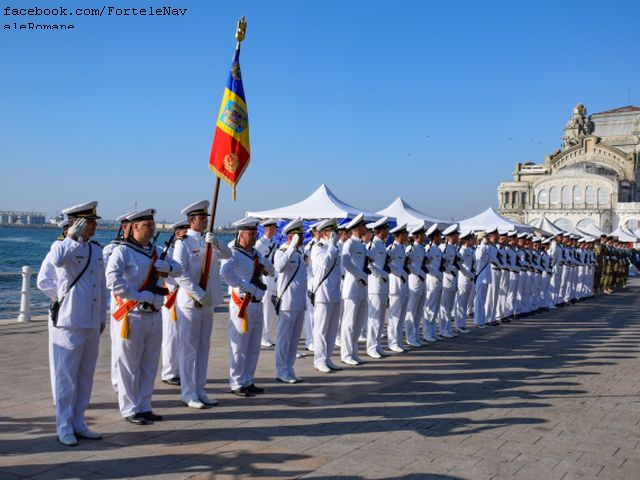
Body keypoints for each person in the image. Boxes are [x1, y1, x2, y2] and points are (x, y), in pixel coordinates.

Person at [106, 209, 182, 425]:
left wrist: (167, 267)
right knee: (129, 365)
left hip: (154, 314)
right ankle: (130, 408)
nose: (152, 228)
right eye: (147, 224)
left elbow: (179, 268)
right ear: (135, 227)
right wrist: (139, 295)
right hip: (132, 315)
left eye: (153, 224)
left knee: (149, 364)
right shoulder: (123, 251)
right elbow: (112, 280)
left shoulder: (157, 251)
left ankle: (145, 405)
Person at [46, 201, 106, 446]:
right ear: (77, 223)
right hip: (69, 322)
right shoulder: (62, 246)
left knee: (85, 376)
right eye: (89, 222)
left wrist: (102, 317)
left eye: (93, 222)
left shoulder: (96, 249)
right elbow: (55, 264)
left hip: (91, 321)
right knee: (66, 377)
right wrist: (71, 235)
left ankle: (79, 422)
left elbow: (101, 287)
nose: (93, 226)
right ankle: (64, 426)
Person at [172, 200, 232, 408]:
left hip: (208, 301)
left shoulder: (209, 240)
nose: (206, 220)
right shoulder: (183, 243)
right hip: (190, 302)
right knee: (188, 349)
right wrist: (197, 293)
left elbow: (228, 254)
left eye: (207, 217)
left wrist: (216, 243)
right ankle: (188, 393)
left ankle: (200, 389)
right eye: (202, 218)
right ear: (191, 220)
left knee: (203, 347)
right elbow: (180, 273)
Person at [220, 217, 275, 396]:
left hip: (257, 303)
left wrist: (265, 267)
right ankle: (236, 383)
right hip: (242, 304)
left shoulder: (256, 253)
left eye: (254, 233)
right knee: (239, 346)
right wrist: (244, 285)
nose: (253, 237)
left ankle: (248, 380)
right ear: (241, 234)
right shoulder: (233, 253)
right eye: (250, 234)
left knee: (253, 346)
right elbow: (225, 274)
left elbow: (271, 269)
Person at [37, 219, 69, 406]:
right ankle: (60, 398)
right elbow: (43, 281)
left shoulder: (87, 250)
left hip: (77, 314)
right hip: (61, 312)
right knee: (59, 360)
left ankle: (70, 398)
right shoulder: (56, 251)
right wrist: (61, 298)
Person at [103, 211, 136, 394]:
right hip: (121, 301)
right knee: (118, 342)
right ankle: (117, 381)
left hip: (137, 301)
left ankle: (131, 382)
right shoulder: (112, 249)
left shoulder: (140, 248)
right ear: (125, 228)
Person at [273, 218, 308, 383]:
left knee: (294, 339)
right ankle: (281, 370)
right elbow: (279, 267)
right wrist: (291, 248)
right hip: (287, 303)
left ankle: (289, 368)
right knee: (284, 339)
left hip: (299, 302)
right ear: (291, 236)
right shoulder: (282, 251)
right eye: (299, 235)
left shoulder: (299, 253)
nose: (302, 238)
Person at [310, 218, 343, 372]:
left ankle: (328, 357)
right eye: (332, 231)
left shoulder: (334, 247)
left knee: (332, 329)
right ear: (325, 233)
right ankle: (319, 360)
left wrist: (333, 246)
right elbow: (325, 263)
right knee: (321, 329)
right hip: (323, 294)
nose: (335, 234)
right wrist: (332, 246)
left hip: (335, 292)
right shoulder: (318, 247)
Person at [160, 219, 189, 387]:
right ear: (177, 233)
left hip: (184, 296)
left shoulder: (187, 248)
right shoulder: (168, 251)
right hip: (172, 296)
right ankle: (169, 371)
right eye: (184, 230)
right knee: (171, 336)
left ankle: (180, 370)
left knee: (183, 336)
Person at [340, 213, 369, 365]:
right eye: (364, 226)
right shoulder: (349, 243)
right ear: (357, 228)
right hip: (352, 288)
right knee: (349, 322)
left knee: (358, 322)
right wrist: (360, 275)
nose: (366, 229)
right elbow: (345, 262)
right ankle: (346, 354)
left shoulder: (361, 245)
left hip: (362, 287)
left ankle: (354, 351)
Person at [365, 217, 391, 359]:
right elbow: (368, 264)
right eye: (386, 229)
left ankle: (377, 345)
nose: (388, 231)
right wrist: (381, 274)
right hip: (375, 286)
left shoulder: (382, 245)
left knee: (381, 318)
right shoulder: (372, 245)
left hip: (383, 286)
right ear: (380, 231)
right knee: (374, 318)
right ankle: (371, 347)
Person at [254, 219, 279, 348]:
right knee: (265, 309)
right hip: (264, 279)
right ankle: (263, 336)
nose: (277, 230)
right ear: (268, 229)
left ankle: (267, 335)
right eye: (275, 228)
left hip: (272, 278)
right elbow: (256, 262)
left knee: (270, 310)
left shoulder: (272, 243)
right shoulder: (259, 244)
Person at [386, 223, 410, 352]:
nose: (407, 236)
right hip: (395, 286)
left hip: (404, 285)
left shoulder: (402, 248)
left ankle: (399, 341)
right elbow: (387, 265)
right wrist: (400, 272)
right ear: (399, 235)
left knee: (401, 315)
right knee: (394, 315)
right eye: (405, 234)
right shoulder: (392, 248)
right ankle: (392, 342)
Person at [404, 223, 427, 347]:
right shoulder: (410, 249)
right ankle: (410, 337)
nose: (425, 236)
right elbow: (407, 264)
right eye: (423, 234)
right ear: (418, 236)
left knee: (419, 312)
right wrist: (418, 272)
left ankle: (416, 336)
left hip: (422, 282)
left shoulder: (422, 248)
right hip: (414, 283)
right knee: (411, 312)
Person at [439, 224, 460, 337]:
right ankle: (443, 329)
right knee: (445, 307)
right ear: (450, 237)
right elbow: (441, 265)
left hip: (453, 280)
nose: (458, 237)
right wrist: (450, 268)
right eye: (456, 235)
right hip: (446, 280)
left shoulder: (454, 248)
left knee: (450, 307)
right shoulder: (444, 248)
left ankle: (448, 328)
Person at [423, 223, 443, 341]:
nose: (440, 238)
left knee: (435, 309)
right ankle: (427, 333)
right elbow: (426, 265)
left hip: (438, 281)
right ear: (434, 237)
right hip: (431, 281)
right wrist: (435, 273)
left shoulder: (438, 249)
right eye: (438, 236)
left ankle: (432, 331)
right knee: (429, 308)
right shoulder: (428, 249)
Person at [453, 230, 474, 333]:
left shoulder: (469, 250)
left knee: (464, 304)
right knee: (460, 303)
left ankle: (462, 324)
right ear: (467, 240)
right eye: (471, 239)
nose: (473, 240)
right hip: (463, 279)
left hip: (469, 279)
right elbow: (460, 265)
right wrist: (468, 274)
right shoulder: (462, 251)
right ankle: (458, 325)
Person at [473, 230, 491, 329]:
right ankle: (477, 321)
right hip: (481, 278)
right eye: (486, 238)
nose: (488, 239)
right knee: (479, 300)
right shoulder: (479, 249)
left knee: (482, 300)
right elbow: (478, 258)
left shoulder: (486, 249)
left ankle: (481, 320)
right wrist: (482, 244)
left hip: (486, 278)